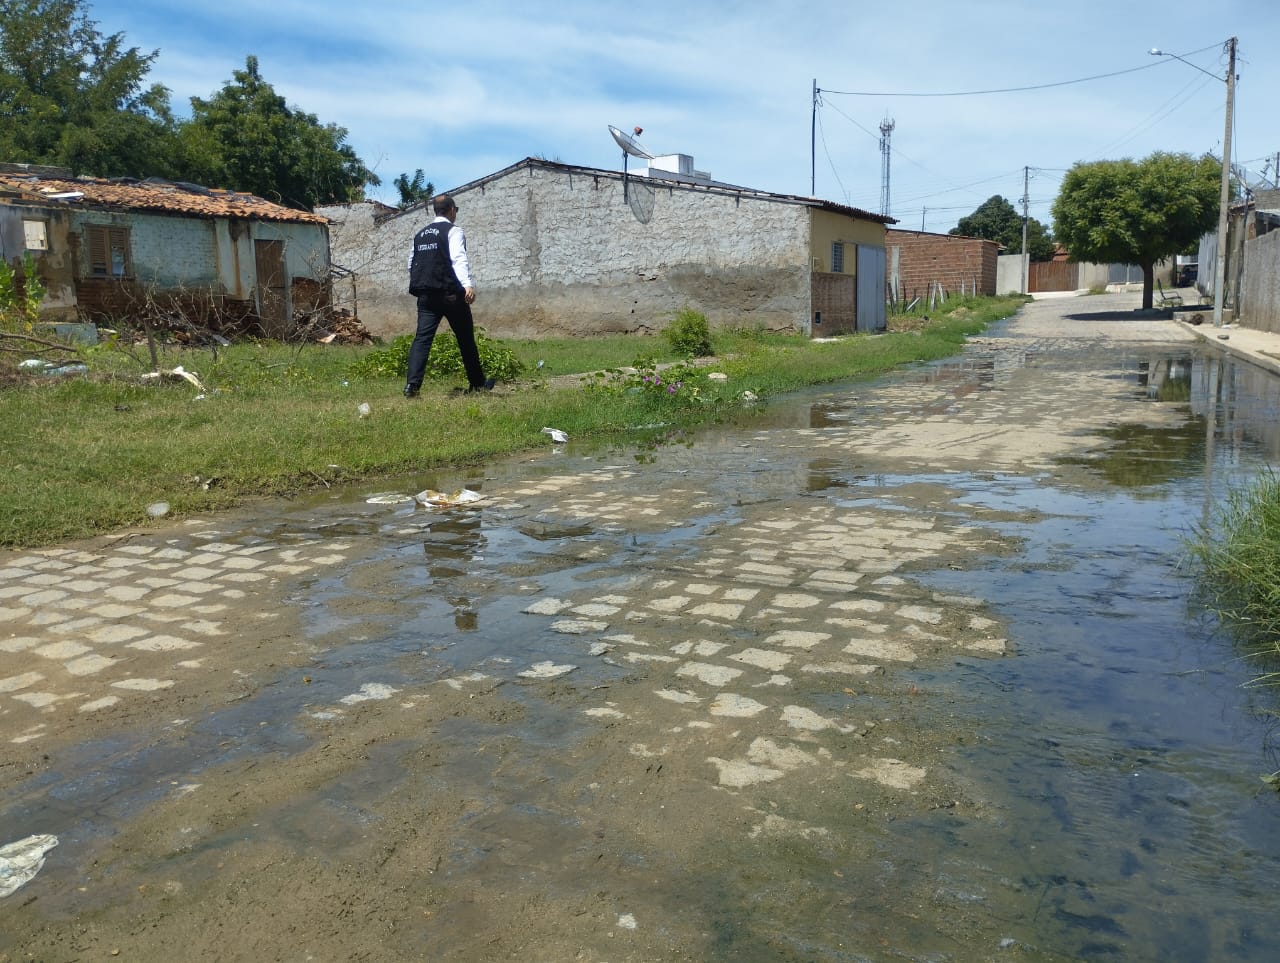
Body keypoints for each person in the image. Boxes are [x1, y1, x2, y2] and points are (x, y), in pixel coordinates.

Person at [404, 194, 495, 396]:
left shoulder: (420, 235)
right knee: (465, 339)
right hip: (450, 294)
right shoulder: (453, 231)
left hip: (426, 296)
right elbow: (458, 258)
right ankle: (477, 384)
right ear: (452, 209)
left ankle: (412, 386)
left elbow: (411, 263)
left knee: (422, 339)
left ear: (434, 210)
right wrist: (467, 285)